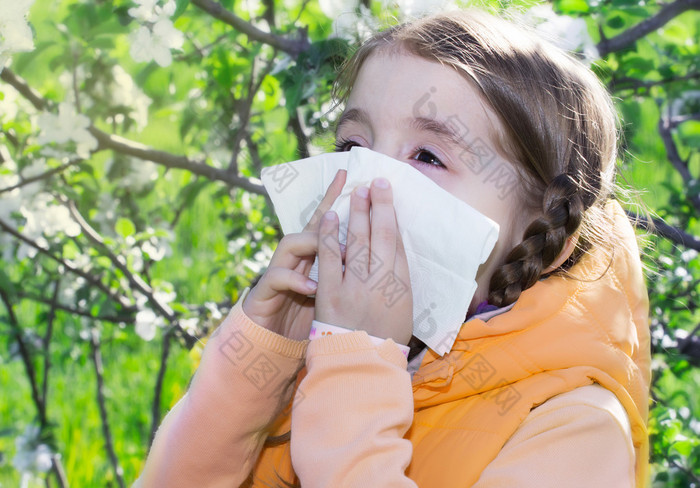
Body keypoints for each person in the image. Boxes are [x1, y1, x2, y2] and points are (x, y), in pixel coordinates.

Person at [133, 8, 651, 488]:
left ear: (541, 227)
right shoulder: (318, 358)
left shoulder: (576, 431)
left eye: (426, 155)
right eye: (353, 146)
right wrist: (255, 371)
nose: (365, 180)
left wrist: (357, 369)